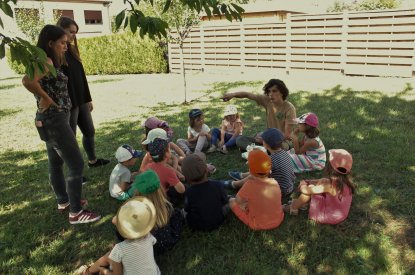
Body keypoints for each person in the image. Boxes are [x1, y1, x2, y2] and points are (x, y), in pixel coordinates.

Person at [22, 25, 100, 224]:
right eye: (62, 43)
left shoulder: (50, 60)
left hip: (51, 119)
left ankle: (64, 201)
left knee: (55, 162)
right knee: (76, 164)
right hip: (55, 120)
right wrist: (45, 97)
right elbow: (27, 81)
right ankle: (76, 212)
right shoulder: (46, 61)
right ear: (50, 43)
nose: (66, 46)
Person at [56, 17, 109, 168]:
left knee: (90, 131)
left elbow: (81, 76)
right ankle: (76, 172)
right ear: (61, 29)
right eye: (71, 32)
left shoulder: (72, 49)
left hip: (81, 99)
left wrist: (88, 98)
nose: (73, 35)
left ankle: (93, 160)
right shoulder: (55, 53)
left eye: (75, 32)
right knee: (70, 139)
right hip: (69, 103)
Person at [75, 197, 160, 275]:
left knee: (109, 257)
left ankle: (87, 272)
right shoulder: (149, 237)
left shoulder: (119, 249)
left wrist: (105, 271)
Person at [283, 149, 356, 224]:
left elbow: (306, 190)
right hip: (339, 211)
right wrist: (308, 181)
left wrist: (302, 184)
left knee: (310, 189)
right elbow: (325, 182)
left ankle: (293, 208)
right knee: (323, 180)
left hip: (330, 215)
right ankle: (302, 203)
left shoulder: (330, 186)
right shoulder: (344, 181)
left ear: (330, 167)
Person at [221, 79, 296, 151]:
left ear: (282, 92)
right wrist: (232, 95)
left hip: (283, 141)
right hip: (268, 138)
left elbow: (287, 135)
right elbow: (247, 95)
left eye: (274, 91)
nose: (270, 94)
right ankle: (262, 150)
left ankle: (258, 150)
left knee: (280, 149)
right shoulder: (267, 100)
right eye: (269, 91)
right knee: (240, 139)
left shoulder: (289, 108)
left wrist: (266, 138)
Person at [226, 128, 295, 202]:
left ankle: (235, 184)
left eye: (263, 140)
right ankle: (242, 175)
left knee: (253, 178)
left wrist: (251, 163)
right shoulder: (284, 152)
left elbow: (259, 175)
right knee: (258, 172)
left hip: (280, 191)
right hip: (290, 185)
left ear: (266, 144)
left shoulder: (271, 159)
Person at [126, 169, 184, 254]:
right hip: (168, 242)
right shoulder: (167, 207)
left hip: (148, 247)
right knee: (178, 213)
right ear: (159, 188)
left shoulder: (133, 211)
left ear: (137, 191)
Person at [229, 150, 284, 230]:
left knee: (232, 201)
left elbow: (238, 200)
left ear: (250, 171)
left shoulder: (249, 185)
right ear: (269, 169)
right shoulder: (274, 182)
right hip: (278, 219)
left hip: (257, 224)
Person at [181, 153, 230, 231]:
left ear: (186, 178)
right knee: (230, 202)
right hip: (219, 219)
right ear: (207, 170)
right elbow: (225, 201)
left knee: (182, 212)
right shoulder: (217, 185)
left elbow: (187, 209)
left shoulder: (189, 192)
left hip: (196, 225)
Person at [143, 138, 186, 205]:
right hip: (163, 199)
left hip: (151, 197)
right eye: (169, 149)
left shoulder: (147, 166)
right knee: (185, 188)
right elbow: (181, 190)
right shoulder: (168, 171)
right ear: (167, 154)